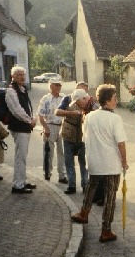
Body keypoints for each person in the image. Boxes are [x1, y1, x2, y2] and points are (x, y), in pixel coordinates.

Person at [71, 84, 129, 243]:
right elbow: (121, 144)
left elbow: (85, 138)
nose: (116, 101)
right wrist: (124, 161)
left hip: (94, 160)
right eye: (115, 98)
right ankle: (106, 230)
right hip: (111, 163)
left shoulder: (89, 116)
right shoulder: (115, 118)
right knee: (110, 196)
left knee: (91, 187)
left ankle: (84, 213)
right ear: (108, 101)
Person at [5, 65, 37, 194]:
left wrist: (32, 118)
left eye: (23, 74)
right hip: (19, 127)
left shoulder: (22, 89)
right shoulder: (11, 91)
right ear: (12, 76)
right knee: (20, 156)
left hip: (25, 127)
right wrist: (30, 121)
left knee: (23, 156)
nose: (22, 77)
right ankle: (18, 185)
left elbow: (28, 107)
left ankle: (22, 181)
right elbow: (16, 110)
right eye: (18, 74)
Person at [55, 89, 90, 194]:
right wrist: (71, 113)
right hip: (68, 135)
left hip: (82, 137)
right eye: (82, 99)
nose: (85, 100)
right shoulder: (67, 99)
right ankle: (71, 186)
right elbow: (57, 112)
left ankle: (85, 185)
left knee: (84, 163)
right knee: (69, 162)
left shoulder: (89, 103)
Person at [37, 78, 67, 184]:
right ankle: (47, 173)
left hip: (62, 126)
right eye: (56, 85)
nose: (59, 87)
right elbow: (40, 115)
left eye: (60, 85)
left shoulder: (64, 98)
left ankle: (62, 175)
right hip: (50, 125)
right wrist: (45, 127)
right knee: (48, 152)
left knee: (62, 152)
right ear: (50, 86)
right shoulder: (46, 99)